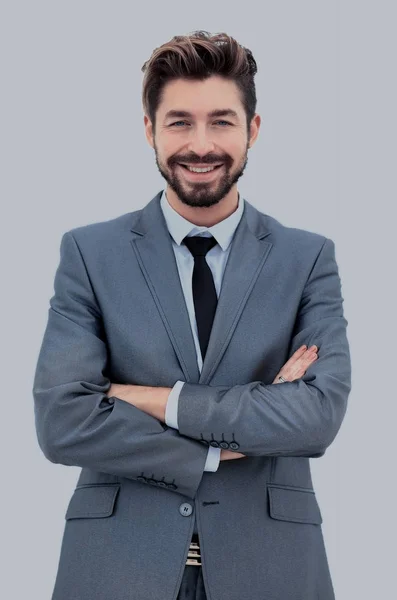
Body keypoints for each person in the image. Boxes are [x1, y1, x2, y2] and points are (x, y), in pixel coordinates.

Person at [32, 30, 351, 600]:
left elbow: (317, 415)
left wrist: (155, 399)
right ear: (150, 130)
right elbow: (62, 420)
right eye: (179, 122)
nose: (200, 145)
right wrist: (217, 446)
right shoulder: (89, 253)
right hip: (116, 566)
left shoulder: (308, 259)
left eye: (221, 121)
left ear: (252, 130)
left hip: (272, 567)